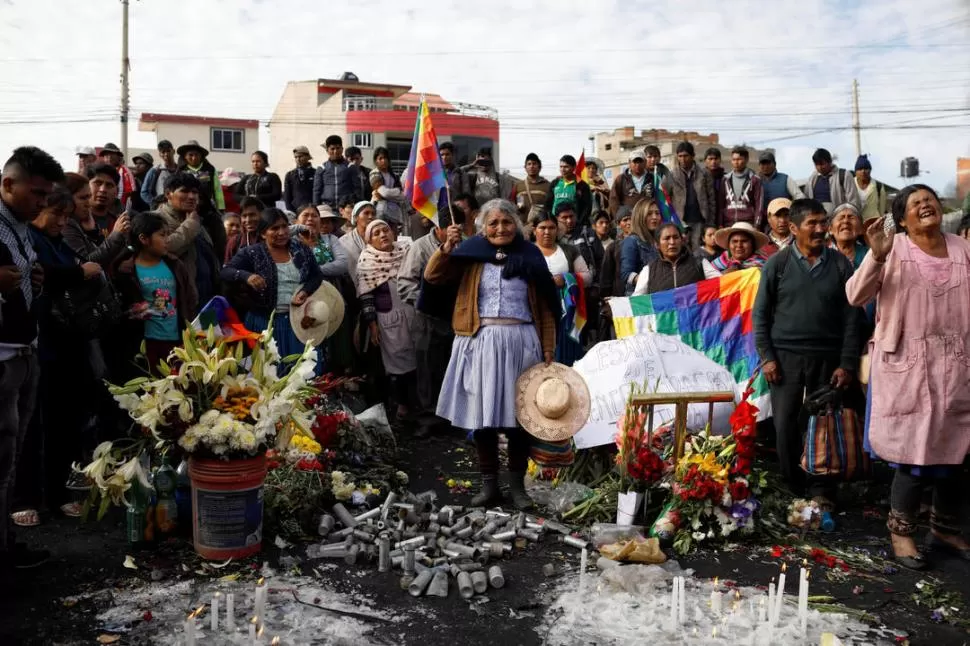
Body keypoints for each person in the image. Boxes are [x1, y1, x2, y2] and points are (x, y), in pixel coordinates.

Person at [846, 185, 970, 569]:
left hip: (957, 367)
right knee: (913, 456)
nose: (925, 205)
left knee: (956, 454)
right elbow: (855, 295)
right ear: (901, 219)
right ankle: (902, 535)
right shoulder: (892, 249)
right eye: (915, 204)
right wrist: (877, 257)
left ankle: (944, 529)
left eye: (929, 199)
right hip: (909, 368)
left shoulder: (963, 249)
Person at [426, 199, 559, 509]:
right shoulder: (470, 253)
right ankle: (489, 486)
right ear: (483, 227)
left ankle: (517, 487)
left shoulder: (530, 255)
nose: (501, 228)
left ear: (518, 225)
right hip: (479, 341)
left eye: (507, 222)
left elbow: (546, 306)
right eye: (494, 223)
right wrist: (446, 248)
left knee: (519, 419)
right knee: (482, 418)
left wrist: (549, 347)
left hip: (521, 342)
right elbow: (433, 277)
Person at [754, 198, 860, 507]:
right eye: (811, 223)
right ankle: (791, 488)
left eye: (822, 222)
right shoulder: (778, 264)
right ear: (794, 227)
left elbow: (852, 319)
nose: (819, 228)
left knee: (824, 425)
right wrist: (767, 357)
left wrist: (847, 363)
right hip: (785, 358)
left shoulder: (840, 264)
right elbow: (760, 314)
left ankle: (820, 491)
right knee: (785, 424)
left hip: (828, 358)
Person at [19, 188, 103, 521]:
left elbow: (82, 264)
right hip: (38, 345)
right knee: (31, 428)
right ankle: (23, 499)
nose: (62, 221)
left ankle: (56, 495)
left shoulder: (57, 242)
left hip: (69, 343)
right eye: (58, 214)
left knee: (64, 424)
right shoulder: (27, 239)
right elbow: (49, 274)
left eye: (67, 216)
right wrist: (81, 273)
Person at [0, 146, 65, 571]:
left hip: (25, 352)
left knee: (10, 457)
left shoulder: (21, 229)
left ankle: (4, 545)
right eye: (36, 192)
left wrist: (35, 281)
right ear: (8, 185)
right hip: (2, 359)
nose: (43, 203)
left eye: (47, 195)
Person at [221, 208, 325, 372]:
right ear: (263, 233)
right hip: (263, 324)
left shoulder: (300, 249)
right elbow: (226, 271)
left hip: (298, 323)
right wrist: (246, 276)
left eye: (284, 226)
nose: (282, 232)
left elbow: (316, 276)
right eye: (274, 228)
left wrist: (305, 291)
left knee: (301, 375)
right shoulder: (252, 253)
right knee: (268, 375)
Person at [114, 211, 197, 372]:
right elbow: (120, 309)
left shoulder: (175, 265)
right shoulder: (126, 269)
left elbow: (190, 299)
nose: (167, 240)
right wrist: (134, 311)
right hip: (145, 344)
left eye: (168, 234)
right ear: (144, 239)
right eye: (162, 235)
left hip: (176, 342)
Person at [397, 219, 456, 437]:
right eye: (450, 227)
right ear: (439, 227)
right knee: (427, 370)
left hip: (456, 319)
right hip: (427, 319)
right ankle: (427, 417)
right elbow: (405, 283)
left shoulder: (465, 244)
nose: (454, 232)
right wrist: (427, 302)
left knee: (452, 368)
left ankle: (453, 415)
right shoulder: (420, 247)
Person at [357, 220, 416, 423]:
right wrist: (373, 325)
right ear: (369, 240)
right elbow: (366, 297)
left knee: (419, 358)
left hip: (413, 314)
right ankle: (402, 403)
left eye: (386, 230)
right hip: (389, 319)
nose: (383, 235)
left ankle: (420, 403)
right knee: (397, 363)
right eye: (376, 233)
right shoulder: (367, 261)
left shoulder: (408, 251)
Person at [153, 172, 220, 313]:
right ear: (168, 194)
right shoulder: (155, 219)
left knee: (207, 335)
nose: (191, 196)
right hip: (175, 300)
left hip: (205, 297)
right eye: (184, 191)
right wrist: (190, 225)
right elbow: (164, 248)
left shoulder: (195, 218)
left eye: (194, 192)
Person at [533, 211, 590, 366]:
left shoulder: (569, 250)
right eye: (542, 227)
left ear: (557, 230)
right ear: (534, 230)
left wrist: (566, 279)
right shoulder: (527, 252)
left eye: (551, 228)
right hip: (535, 310)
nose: (547, 232)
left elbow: (587, 276)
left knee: (565, 357)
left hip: (565, 313)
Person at [63, 170, 129, 266]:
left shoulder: (115, 218)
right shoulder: (65, 225)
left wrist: (92, 233)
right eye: (82, 198)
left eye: (109, 185)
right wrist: (116, 235)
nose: (103, 190)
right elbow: (87, 264)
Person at [633, 223, 720, 295]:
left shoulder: (700, 264)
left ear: (682, 241)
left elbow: (723, 285)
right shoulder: (649, 270)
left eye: (675, 237)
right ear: (657, 245)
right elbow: (636, 302)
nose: (672, 242)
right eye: (667, 238)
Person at [176, 140, 227, 260]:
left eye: (196, 155)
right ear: (185, 157)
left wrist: (221, 208)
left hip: (206, 209)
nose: (193, 158)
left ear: (201, 156)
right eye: (190, 155)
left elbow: (217, 190)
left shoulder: (210, 169)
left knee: (218, 234)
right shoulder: (180, 171)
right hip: (186, 211)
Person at [663, 141, 716, 250]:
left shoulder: (704, 174)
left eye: (686, 156)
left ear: (693, 156)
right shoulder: (671, 175)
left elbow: (711, 199)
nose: (683, 159)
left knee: (699, 252)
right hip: (680, 222)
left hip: (700, 221)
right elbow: (665, 200)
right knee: (682, 251)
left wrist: (710, 222)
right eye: (680, 156)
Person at [291, 204, 349, 280]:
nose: (310, 219)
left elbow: (343, 263)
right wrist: (298, 228)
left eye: (314, 216)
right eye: (305, 215)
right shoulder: (290, 242)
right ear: (296, 222)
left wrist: (315, 270)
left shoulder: (331, 239)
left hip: (329, 288)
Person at [619, 199, 662, 295]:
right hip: (641, 301)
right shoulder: (632, 241)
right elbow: (626, 275)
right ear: (640, 216)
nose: (654, 217)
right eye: (649, 214)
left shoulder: (661, 241)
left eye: (657, 213)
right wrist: (649, 280)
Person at [804, 148, 862, 216]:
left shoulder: (844, 175)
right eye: (816, 165)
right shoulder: (812, 179)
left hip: (838, 218)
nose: (819, 167)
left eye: (822, 164)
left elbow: (853, 200)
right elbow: (806, 199)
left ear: (830, 162)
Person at [556, 201, 603, 283]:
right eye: (564, 217)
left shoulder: (588, 234)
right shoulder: (554, 238)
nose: (569, 220)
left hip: (588, 285)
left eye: (571, 216)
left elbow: (601, 260)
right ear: (557, 219)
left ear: (576, 216)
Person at [720, 146, 764, 230]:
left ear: (746, 159)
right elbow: (721, 204)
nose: (736, 162)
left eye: (739, 159)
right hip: (728, 223)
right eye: (734, 159)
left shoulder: (755, 180)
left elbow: (759, 205)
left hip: (748, 224)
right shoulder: (725, 180)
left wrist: (757, 225)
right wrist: (720, 223)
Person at [313, 135, 361, 209]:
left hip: (346, 208)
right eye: (332, 149)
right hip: (326, 208)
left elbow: (357, 189)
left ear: (342, 149)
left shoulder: (350, 167)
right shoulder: (322, 168)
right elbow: (317, 191)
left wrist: (357, 206)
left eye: (338, 148)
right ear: (327, 150)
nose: (335, 151)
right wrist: (316, 208)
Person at [545, 155, 592, 226]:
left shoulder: (582, 185)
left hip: (574, 224)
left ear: (574, 167)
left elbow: (587, 207)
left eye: (566, 167)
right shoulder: (555, 183)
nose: (563, 169)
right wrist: (552, 221)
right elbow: (548, 204)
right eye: (561, 167)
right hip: (556, 224)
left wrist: (579, 222)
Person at [340, 201, 377, 288]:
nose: (370, 217)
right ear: (356, 218)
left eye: (373, 214)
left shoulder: (379, 239)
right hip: (351, 288)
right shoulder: (343, 242)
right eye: (366, 213)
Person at [609, 149, 655, 218]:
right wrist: (619, 218)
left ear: (645, 162)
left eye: (640, 161)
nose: (638, 165)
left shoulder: (653, 178)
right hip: (629, 220)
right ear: (629, 163)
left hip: (648, 218)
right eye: (635, 162)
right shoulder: (621, 179)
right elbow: (614, 200)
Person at [86, 162, 123, 238]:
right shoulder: (73, 222)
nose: (103, 190)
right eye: (98, 183)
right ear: (86, 186)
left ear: (117, 191)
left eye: (109, 185)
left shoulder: (121, 223)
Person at [513, 152, 551, 224]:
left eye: (534, 164)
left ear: (539, 167)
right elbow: (511, 203)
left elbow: (551, 207)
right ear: (525, 167)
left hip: (541, 226)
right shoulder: (518, 185)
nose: (531, 166)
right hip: (522, 226)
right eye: (529, 164)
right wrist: (517, 208)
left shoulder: (548, 185)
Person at [140, 140, 179, 209]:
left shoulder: (180, 170)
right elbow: (144, 192)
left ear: (173, 151)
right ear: (160, 154)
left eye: (168, 151)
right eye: (163, 152)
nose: (166, 154)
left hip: (177, 207)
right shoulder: (155, 170)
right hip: (160, 210)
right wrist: (156, 204)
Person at [224, 197, 263, 263]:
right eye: (244, 216)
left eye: (252, 215)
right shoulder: (234, 242)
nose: (248, 220)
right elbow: (227, 270)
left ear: (262, 214)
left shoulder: (272, 239)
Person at [829, 203, 868, 268]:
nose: (846, 221)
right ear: (830, 229)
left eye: (851, 217)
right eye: (841, 218)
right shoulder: (822, 256)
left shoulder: (869, 256)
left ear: (861, 229)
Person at [98, 143, 136, 208]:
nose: (109, 158)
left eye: (112, 155)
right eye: (106, 155)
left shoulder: (124, 171)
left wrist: (116, 208)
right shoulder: (101, 171)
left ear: (118, 157)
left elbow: (125, 193)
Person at [436, 142, 466, 224]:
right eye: (442, 155)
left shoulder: (460, 172)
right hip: (437, 212)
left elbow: (466, 193)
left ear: (452, 155)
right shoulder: (434, 173)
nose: (444, 157)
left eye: (447, 154)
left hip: (454, 211)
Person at [853, 155, 888, 224]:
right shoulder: (850, 184)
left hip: (873, 223)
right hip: (855, 223)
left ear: (870, 170)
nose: (863, 171)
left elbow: (882, 209)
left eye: (866, 169)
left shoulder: (879, 186)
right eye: (860, 169)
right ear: (856, 172)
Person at [283, 146, 316, 214]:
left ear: (307, 157)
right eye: (296, 157)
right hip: (295, 210)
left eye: (301, 156)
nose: (298, 159)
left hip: (312, 209)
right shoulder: (290, 175)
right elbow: (287, 196)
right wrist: (291, 211)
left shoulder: (315, 173)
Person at [705, 147, 727, 219]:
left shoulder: (726, 178)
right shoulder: (700, 177)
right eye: (710, 159)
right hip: (706, 215)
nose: (713, 162)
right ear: (705, 161)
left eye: (716, 159)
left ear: (720, 160)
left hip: (723, 215)